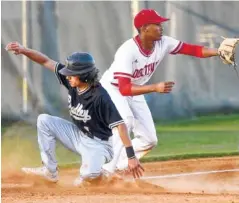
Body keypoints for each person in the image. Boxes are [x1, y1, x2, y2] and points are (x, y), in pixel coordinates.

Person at [5, 42, 144, 186]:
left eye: (72, 74)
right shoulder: (71, 82)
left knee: (87, 176)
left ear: (84, 75)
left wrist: (131, 156)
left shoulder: (99, 96)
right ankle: (49, 171)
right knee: (44, 120)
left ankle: (102, 175)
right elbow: (45, 61)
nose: (68, 76)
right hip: (77, 135)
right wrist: (24, 50)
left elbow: (121, 126)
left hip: (99, 144)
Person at [100, 8, 220, 174]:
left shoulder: (164, 42)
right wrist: (155, 88)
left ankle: (120, 165)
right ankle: (104, 170)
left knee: (150, 139)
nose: (161, 27)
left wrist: (218, 52)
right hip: (112, 88)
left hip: (136, 89)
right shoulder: (127, 51)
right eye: (156, 24)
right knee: (125, 121)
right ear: (144, 28)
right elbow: (124, 88)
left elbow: (194, 50)